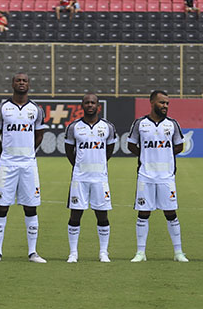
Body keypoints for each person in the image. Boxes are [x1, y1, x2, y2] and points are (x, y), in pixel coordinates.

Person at [0, 74, 47, 264]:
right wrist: (4, 155)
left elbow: (39, 135)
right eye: (18, 80)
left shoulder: (36, 109)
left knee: (31, 206)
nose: (21, 83)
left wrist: (29, 153)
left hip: (28, 164)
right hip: (7, 164)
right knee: (2, 206)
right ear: (12, 84)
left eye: (25, 81)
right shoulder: (2, 108)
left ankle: (33, 252)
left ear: (29, 84)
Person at [127, 91, 188, 262]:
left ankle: (178, 252)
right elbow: (131, 144)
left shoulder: (172, 124)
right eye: (162, 103)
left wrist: (165, 155)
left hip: (166, 177)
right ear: (152, 102)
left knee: (171, 213)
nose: (165, 106)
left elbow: (179, 146)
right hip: (145, 176)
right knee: (143, 213)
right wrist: (145, 155)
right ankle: (140, 253)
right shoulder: (140, 123)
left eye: (167, 103)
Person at [64, 93, 117, 263]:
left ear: (98, 106)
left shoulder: (107, 127)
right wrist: (79, 166)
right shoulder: (73, 127)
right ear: (82, 105)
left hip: (100, 179)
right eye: (87, 102)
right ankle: (73, 253)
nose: (90, 105)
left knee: (102, 215)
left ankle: (103, 252)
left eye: (93, 103)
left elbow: (109, 150)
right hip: (80, 178)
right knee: (75, 215)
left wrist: (99, 165)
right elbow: (69, 151)